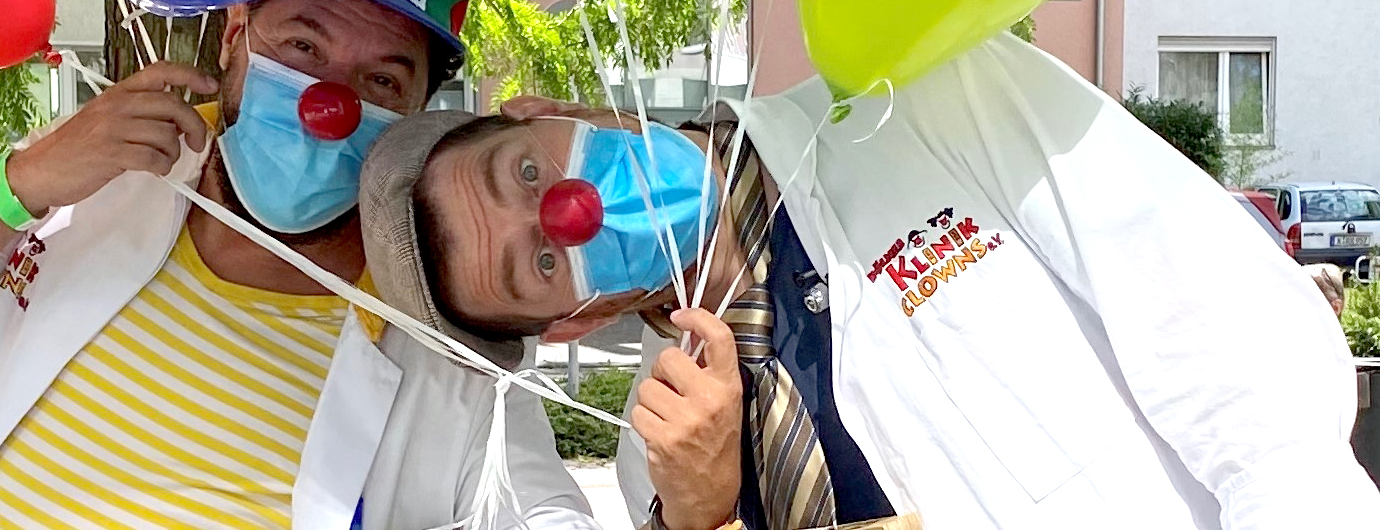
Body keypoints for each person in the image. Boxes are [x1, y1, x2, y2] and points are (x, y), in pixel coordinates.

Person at [360, 33, 1380, 530]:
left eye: (528, 169)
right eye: (539, 263)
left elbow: (1237, 356)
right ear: (571, 316)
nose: (565, 211)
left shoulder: (931, 95)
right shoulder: (655, 471)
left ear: (546, 107)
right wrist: (708, 509)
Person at [0, 0, 597, 530]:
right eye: (303, 48)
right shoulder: (96, 181)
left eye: (381, 81)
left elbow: (544, 507)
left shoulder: (438, 331)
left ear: (419, 112)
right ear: (235, 34)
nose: (327, 104)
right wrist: (23, 180)